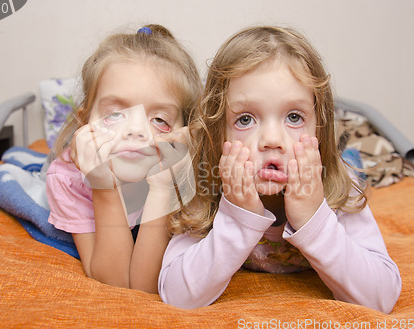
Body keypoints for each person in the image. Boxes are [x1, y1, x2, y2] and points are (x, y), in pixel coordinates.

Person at [158, 26, 401, 313]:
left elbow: (382, 297)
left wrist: (314, 219)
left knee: (351, 164)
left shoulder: (340, 186)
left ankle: (350, 153)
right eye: (245, 119)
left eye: (294, 117)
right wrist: (239, 218)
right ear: (217, 134)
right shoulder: (206, 184)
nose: (272, 140)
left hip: (337, 169)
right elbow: (176, 295)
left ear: (320, 130)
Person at [46, 24, 201, 293]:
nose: (136, 130)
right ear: (84, 123)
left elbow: (145, 288)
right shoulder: (67, 179)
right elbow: (115, 282)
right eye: (115, 114)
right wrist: (102, 185)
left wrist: (163, 187)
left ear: (185, 133)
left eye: (160, 120)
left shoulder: (185, 174)